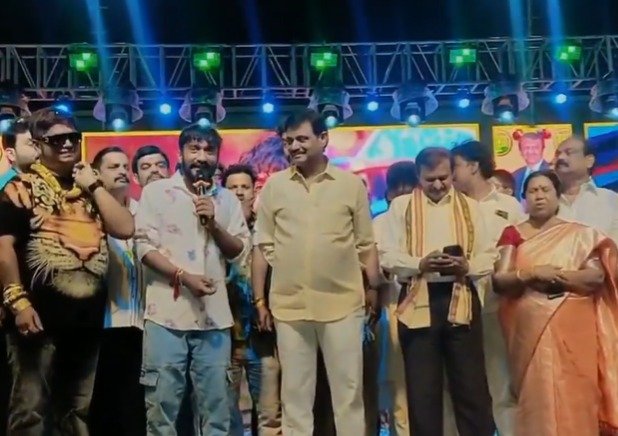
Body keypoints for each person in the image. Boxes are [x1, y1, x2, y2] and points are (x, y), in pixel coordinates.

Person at [0, 107, 134, 435]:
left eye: (72, 137)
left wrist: (95, 186)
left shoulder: (89, 187)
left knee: (77, 412)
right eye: (55, 139)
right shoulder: (20, 186)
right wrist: (18, 303)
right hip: (37, 319)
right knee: (31, 411)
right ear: (37, 144)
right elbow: (3, 248)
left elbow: (125, 228)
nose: (66, 144)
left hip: (87, 320)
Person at [254, 109, 381, 435]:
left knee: (348, 395)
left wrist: (373, 288)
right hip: (289, 306)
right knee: (294, 397)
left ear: (323, 139)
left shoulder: (350, 185)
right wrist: (260, 299)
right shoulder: (274, 187)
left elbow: (365, 244)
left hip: (343, 305)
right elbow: (262, 245)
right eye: (288, 141)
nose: (294, 147)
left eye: (302, 139)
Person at [134, 123, 250, 435]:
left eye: (209, 150)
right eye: (194, 149)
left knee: (217, 410)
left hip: (215, 317)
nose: (201, 156)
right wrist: (183, 277)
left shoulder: (227, 199)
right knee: (161, 409)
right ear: (180, 153)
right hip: (165, 316)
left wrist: (213, 224)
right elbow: (143, 247)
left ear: (217, 156)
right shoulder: (156, 193)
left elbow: (239, 251)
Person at [379, 147, 496, 436]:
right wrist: (419, 263)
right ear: (418, 176)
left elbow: (490, 255)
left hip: (461, 296)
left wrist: (466, 265)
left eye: (444, 177)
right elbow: (386, 255)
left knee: (471, 387)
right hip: (417, 297)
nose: (438, 185)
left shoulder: (471, 207)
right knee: (423, 391)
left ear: (453, 173)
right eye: (430, 179)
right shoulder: (401, 207)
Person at [492, 170, 618, 435]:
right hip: (529, 329)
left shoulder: (580, 234)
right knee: (538, 394)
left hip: (576, 327)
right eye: (532, 191)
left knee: (578, 389)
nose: (539, 196)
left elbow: (595, 276)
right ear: (524, 198)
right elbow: (501, 280)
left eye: (545, 190)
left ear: (557, 195)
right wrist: (531, 274)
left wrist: (557, 277)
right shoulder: (513, 234)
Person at [452, 140, 524, 436]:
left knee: (503, 382)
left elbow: (522, 250)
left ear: (473, 166)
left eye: (456, 166)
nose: (451, 173)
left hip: (498, 303)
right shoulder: (451, 205)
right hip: (457, 307)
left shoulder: (508, 206)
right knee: (464, 385)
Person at [89, 146, 145, 436]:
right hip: (104, 323)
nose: (122, 171)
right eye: (113, 167)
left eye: (125, 166)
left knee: (136, 407)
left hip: (143, 324)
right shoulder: (86, 213)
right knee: (104, 406)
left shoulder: (144, 211)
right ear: (96, 174)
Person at [373, 160, 417, 436]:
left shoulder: (429, 219)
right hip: (392, 308)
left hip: (428, 308)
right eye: (396, 189)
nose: (402, 194)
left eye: (408, 188)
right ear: (388, 193)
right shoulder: (379, 223)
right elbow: (375, 268)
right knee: (398, 384)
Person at [553, 136, 618, 243]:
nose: (560, 157)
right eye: (557, 154)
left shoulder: (612, 200)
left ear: (589, 161)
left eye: (569, 153)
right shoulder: (542, 201)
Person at [0, 117, 39, 189]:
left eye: (39, 143)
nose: (38, 148)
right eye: (31, 144)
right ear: (11, 154)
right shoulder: (4, 187)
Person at [511, 130, 551, 200]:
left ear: (542, 149)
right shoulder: (515, 176)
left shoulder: (553, 172)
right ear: (520, 151)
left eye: (535, 147)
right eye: (526, 148)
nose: (530, 151)